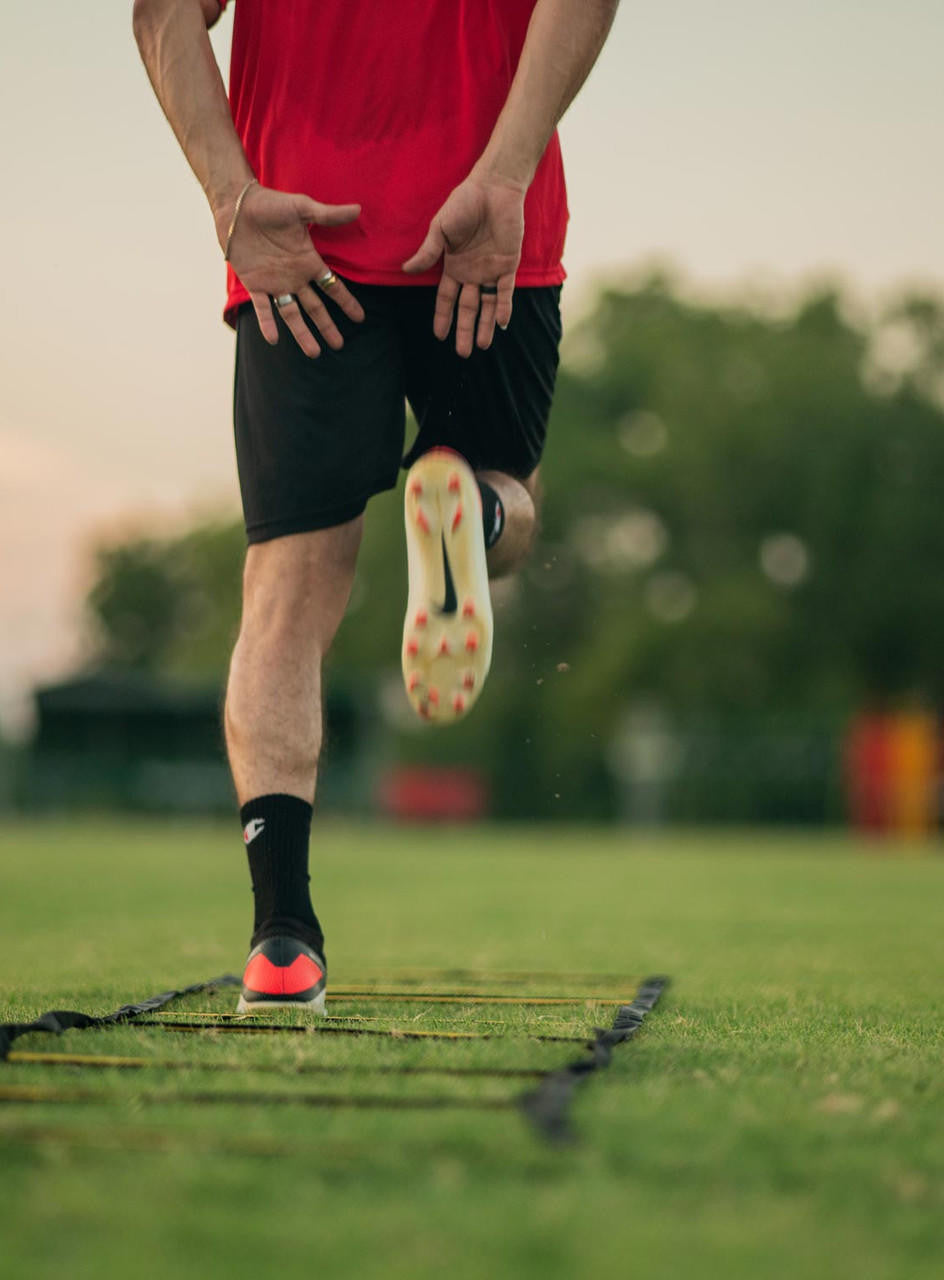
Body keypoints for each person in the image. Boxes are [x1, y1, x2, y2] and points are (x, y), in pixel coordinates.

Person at [132, 0, 619, 1013]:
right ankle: (471, 521)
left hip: (298, 239)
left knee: (289, 583)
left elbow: (162, 13)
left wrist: (231, 199)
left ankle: (282, 937)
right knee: (511, 502)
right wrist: (505, 172)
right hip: (483, 227)